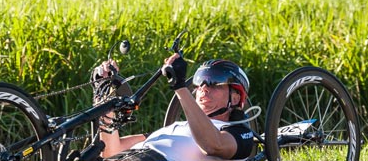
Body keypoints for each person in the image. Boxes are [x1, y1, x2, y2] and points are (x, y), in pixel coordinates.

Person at [96, 55, 258, 161]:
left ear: (236, 97)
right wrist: (103, 95)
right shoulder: (175, 128)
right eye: (200, 82)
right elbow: (111, 150)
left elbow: (213, 145)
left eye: (214, 82)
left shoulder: (238, 133)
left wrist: (180, 87)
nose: (204, 88)